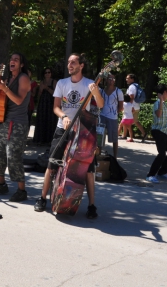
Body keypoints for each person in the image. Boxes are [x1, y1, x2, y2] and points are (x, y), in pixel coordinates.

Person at [34, 54, 104, 219]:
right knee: (52, 164)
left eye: (73, 62)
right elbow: (56, 107)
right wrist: (64, 117)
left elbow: (100, 105)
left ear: (81, 65)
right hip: (62, 129)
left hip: (83, 132)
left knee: (87, 169)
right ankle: (42, 198)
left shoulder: (89, 84)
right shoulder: (61, 83)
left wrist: (95, 92)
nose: (69, 65)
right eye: (68, 62)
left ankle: (92, 206)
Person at [0, 53, 32, 201]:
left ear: (21, 64)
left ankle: (21, 190)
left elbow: (19, 100)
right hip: (6, 121)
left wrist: (5, 89)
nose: (12, 61)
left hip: (19, 123)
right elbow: (5, 100)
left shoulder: (23, 78)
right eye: (11, 59)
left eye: (16, 60)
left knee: (13, 155)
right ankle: (1, 184)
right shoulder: (8, 79)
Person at [146, 84, 167, 183]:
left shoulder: (165, 104)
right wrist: (161, 101)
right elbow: (158, 115)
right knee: (162, 154)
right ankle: (150, 175)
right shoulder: (157, 103)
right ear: (163, 93)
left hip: (164, 132)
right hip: (158, 131)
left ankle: (162, 173)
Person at [99, 74, 124, 156]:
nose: (111, 80)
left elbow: (121, 107)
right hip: (102, 116)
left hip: (113, 117)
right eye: (109, 79)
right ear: (106, 80)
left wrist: (114, 113)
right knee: (100, 136)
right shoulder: (102, 91)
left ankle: (115, 156)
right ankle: (98, 154)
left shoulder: (118, 92)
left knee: (114, 138)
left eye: (113, 79)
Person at [32, 67, 57, 145]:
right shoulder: (42, 82)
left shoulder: (54, 82)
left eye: (48, 72)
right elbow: (39, 94)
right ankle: (41, 139)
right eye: (45, 72)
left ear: (51, 73)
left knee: (50, 120)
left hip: (50, 103)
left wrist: (47, 88)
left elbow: (56, 94)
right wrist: (41, 89)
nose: (47, 74)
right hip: (43, 103)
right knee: (42, 120)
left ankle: (50, 140)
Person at [126, 74, 147, 142]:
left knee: (128, 122)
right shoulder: (136, 86)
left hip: (133, 107)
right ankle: (144, 134)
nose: (126, 79)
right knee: (135, 121)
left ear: (132, 79)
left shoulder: (132, 87)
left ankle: (130, 137)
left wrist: (130, 106)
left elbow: (131, 97)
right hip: (136, 106)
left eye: (128, 78)